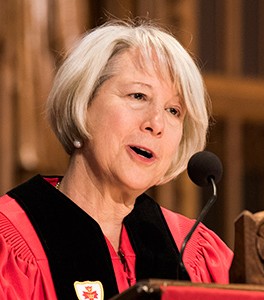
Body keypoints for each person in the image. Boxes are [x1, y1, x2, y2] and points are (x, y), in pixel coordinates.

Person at [0, 18, 233, 300]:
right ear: (83, 102)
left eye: (174, 111)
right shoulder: (10, 243)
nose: (156, 123)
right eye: (138, 95)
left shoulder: (198, 254)